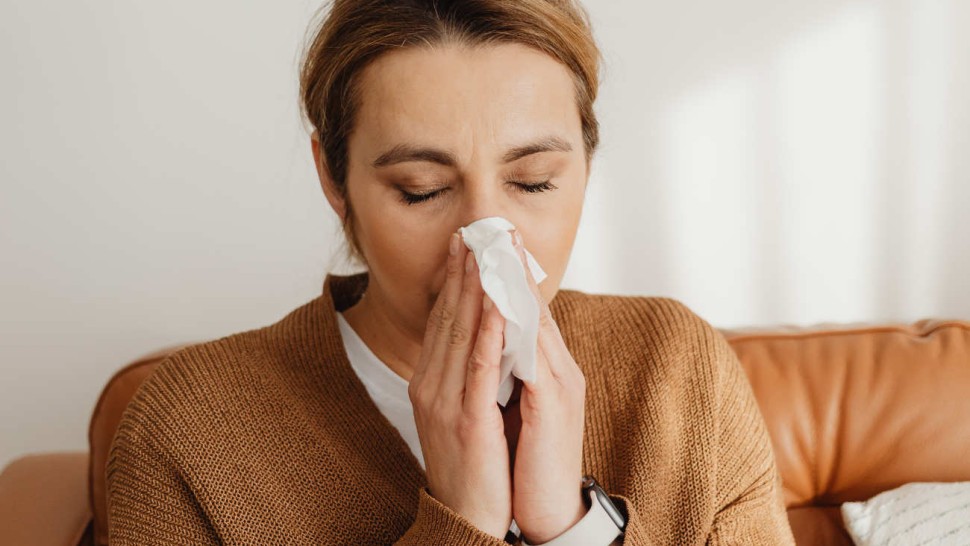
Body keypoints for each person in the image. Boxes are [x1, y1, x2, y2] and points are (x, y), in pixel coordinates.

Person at [106, 1, 797, 544]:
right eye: (422, 190)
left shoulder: (678, 370)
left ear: (585, 164)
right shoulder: (189, 433)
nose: (485, 243)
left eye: (532, 181)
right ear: (334, 178)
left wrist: (568, 527)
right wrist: (462, 522)